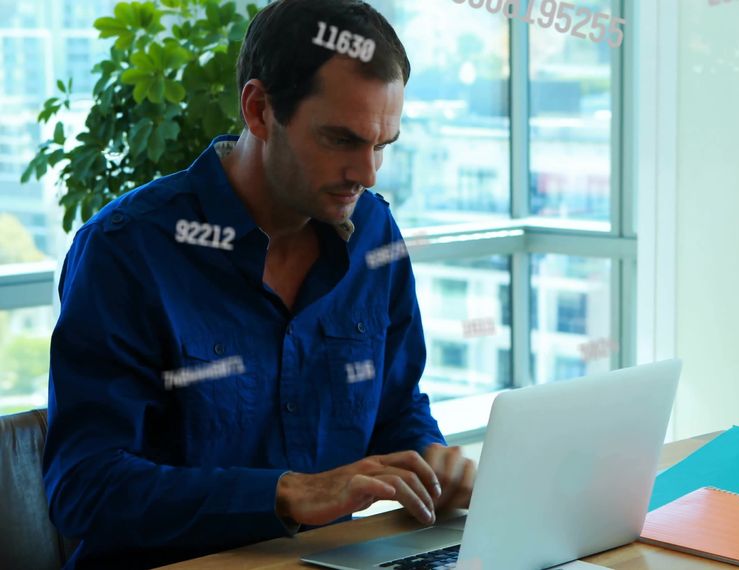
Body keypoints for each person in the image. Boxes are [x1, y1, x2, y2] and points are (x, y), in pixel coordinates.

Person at [42, 1, 475, 567]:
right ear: (259, 109)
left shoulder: (374, 233)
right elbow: (83, 487)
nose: (366, 175)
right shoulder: (127, 253)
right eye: (341, 140)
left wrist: (431, 458)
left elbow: (396, 407)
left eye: (381, 146)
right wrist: (285, 494)